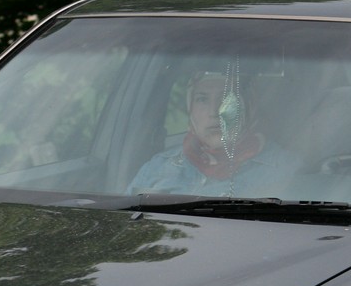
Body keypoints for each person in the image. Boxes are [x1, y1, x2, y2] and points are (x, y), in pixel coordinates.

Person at [128, 61, 298, 197]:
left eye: (226, 99)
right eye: (202, 99)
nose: (215, 112)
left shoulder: (285, 169)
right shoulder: (158, 167)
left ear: (248, 106)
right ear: (190, 109)